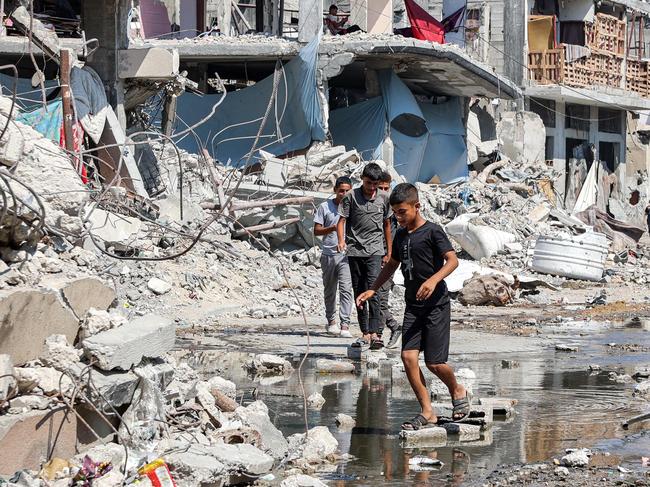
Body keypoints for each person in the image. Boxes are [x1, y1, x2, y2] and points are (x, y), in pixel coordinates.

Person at [356, 183, 470, 430]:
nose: (398, 216)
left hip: (436, 304)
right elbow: (391, 264)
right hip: (413, 306)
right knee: (408, 357)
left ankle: (457, 388)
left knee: (434, 363)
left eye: (402, 211)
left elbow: (453, 261)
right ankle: (427, 411)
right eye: (395, 212)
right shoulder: (400, 235)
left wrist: (433, 280)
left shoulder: (433, 232)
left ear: (417, 206)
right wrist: (373, 288)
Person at [337, 163, 392, 350]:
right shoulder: (351, 197)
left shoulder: (384, 198)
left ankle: (376, 333)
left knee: (374, 289)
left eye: (375, 184)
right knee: (359, 291)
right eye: (368, 183)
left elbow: (387, 226)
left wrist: (389, 252)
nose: (371, 188)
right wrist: (341, 241)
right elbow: (342, 220)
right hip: (355, 251)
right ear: (362, 179)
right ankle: (365, 332)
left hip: (375, 251)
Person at [314, 176, 354, 338]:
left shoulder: (353, 207)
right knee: (330, 290)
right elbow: (316, 230)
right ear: (335, 190)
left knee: (346, 289)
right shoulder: (325, 207)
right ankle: (331, 321)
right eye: (341, 191)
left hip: (346, 256)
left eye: (347, 191)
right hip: (329, 254)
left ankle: (345, 324)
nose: (344, 194)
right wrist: (332, 228)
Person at [377, 171, 401, 349]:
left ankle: (387, 330)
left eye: (387, 188)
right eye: (380, 188)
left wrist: (391, 256)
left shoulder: (395, 212)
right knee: (371, 296)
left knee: (381, 298)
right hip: (371, 258)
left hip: (388, 260)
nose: (384, 192)